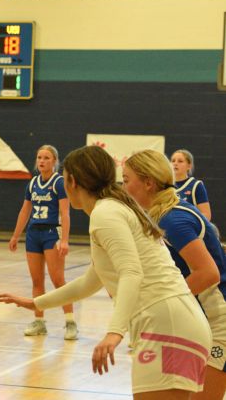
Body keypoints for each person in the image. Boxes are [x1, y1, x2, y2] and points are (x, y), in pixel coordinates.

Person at [0, 145, 211, 400]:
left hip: (166, 324)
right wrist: (37, 303)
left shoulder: (105, 213)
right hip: (177, 322)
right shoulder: (112, 209)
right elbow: (91, 281)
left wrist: (114, 332)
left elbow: (131, 272)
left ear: (72, 181)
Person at [123, 149, 226, 400]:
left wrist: (161, 302)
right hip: (197, 320)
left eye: (126, 180)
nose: (122, 187)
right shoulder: (157, 216)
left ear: (148, 183)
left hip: (219, 321)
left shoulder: (173, 219)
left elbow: (208, 273)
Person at [8, 145, 77, 339]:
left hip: (51, 233)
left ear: (55, 161)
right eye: (39, 157)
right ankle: (39, 322)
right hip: (33, 234)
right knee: (37, 281)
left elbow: (65, 212)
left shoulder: (59, 183)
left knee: (58, 280)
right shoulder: (32, 183)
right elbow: (25, 210)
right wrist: (15, 235)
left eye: (46, 158)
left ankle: (70, 322)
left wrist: (65, 240)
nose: (42, 161)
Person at [170, 149, 211, 220]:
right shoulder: (164, 185)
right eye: (173, 161)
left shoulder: (196, 185)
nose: (175, 163)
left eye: (180, 161)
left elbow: (206, 215)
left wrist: (189, 223)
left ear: (189, 166)